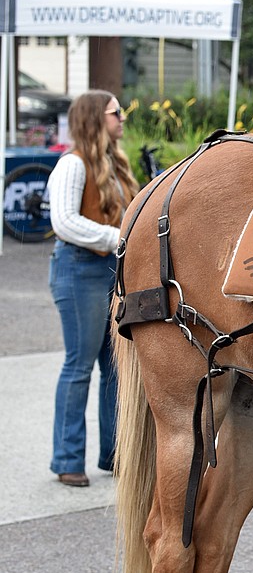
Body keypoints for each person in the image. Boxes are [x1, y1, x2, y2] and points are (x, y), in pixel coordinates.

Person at [46, 90, 140, 487]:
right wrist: (118, 236)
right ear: (94, 118)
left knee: (115, 369)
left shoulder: (114, 163)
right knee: (79, 366)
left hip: (108, 268)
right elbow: (65, 221)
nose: (122, 117)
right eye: (115, 112)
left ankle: (114, 454)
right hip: (79, 268)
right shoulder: (72, 164)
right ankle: (67, 459)